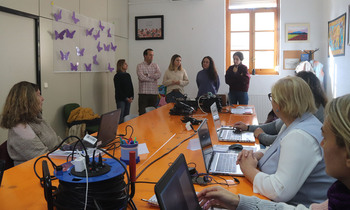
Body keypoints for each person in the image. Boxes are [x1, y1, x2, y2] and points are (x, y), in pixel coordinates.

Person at [198, 94, 350, 210]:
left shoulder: (301, 135)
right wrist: (238, 202)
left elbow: (279, 191)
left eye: (326, 138)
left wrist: (249, 170)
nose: (321, 144)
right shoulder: (339, 195)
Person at [235, 71, 328, 147]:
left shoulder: (311, 113)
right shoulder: (297, 110)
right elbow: (276, 126)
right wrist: (248, 127)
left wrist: (261, 135)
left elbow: (283, 139)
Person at [0, 81, 62, 166]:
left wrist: (72, 148)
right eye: (38, 95)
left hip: (53, 164)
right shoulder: (20, 128)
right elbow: (43, 159)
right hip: (34, 173)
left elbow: (57, 141)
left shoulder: (38, 118)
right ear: (28, 100)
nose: (42, 98)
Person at [136, 48, 161, 115]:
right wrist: (153, 78)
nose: (152, 57)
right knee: (142, 114)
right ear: (145, 56)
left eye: (153, 55)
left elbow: (159, 75)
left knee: (153, 115)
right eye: (150, 55)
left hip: (154, 94)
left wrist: (148, 75)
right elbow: (141, 78)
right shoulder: (139, 66)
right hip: (143, 94)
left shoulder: (155, 65)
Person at [114, 59, 134, 123]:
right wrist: (126, 98)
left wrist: (131, 96)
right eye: (125, 64)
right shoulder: (117, 76)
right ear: (121, 65)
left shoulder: (127, 75)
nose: (127, 65)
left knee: (126, 116)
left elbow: (131, 87)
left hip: (128, 99)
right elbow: (118, 89)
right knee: (120, 116)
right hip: (121, 99)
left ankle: (125, 130)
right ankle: (119, 130)